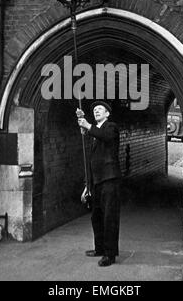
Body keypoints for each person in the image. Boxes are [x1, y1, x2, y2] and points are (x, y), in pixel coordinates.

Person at [77, 101, 121, 267]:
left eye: (100, 109)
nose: (96, 111)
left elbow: (106, 137)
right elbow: (91, 162)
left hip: (110, 180)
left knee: (110, 218)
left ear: (107, 114)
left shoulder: (111, 127)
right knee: (96, 217)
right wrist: (87, 185)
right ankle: (100, 248)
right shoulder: (93, 133)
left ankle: (110, 255)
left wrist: (88, 126)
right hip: (96, 182)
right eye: (94, 110)